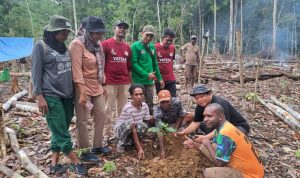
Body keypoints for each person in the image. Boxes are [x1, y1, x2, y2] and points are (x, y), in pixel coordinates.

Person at [31, 15, 87, 175]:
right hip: (51, 95)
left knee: (60, 128)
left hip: (67, 95)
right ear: (52, 32)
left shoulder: (63, 47)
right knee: (61, 132)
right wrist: (39, 96)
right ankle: (75, 161)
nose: (65, 35)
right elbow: (35, 73)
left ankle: (54, 163)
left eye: (66, 32)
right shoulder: (41, 46)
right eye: (62, 32)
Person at [69, 16, 110, 163]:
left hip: (96, 85)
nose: (99, 36)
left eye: (101, 33)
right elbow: (76, 69)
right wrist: (82, 90)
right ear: (88, 31)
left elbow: (101, 66)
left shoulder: (97, 45)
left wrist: (103, 84)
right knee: (83, 120)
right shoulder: (77, 44)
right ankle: (84, 151)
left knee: (101, 114)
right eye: (96, 33)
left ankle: (97, 146)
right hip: (82, 86)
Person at [184, 103, 264, 178]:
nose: (205, 119)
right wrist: (194, 144)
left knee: (208, 173)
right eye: (204, 116)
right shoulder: (225, 126)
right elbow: (215, 147)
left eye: (209, 116)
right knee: (214, 146)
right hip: (250, 167)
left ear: (220, 117)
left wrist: (207, 144)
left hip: (250, 175)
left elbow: (219, 163)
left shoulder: (225, 134)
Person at [177, 85, 250, 142]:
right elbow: (196, 122)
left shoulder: (220, 104)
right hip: (220, 126)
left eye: (202, 96)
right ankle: (213, 139)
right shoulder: (200, 105)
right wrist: (183, 132)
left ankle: (217, 142)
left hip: (237, 127)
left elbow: (224, 127)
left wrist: (205, 138)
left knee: (222, 140)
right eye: (197, 98)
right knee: (202, 124)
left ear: (209, 94)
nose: (200, 100)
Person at [101, 20, 132, 143]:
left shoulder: (127, 47)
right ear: (114, 29)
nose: (122, 30)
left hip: (124, 82)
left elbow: (129, 67)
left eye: (124, 28)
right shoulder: (105, 44)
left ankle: (119, 133)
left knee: (123, 110)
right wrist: (101, 83)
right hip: (109, 82)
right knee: (107, 109)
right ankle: (106, 134)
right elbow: (100, 64)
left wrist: (131, 83)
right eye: (119, 27)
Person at [131, 25, 164, 115]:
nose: (149, 38)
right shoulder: (135, 46)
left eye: (151, 36)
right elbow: (134, 64)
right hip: (138, 80)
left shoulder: (152, 47)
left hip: (149, 81)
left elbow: (155, 64)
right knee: (138, 102)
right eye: (147, 35)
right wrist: (146, 74)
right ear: (142, 34)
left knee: (149, 102)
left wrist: (160, 78)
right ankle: (138, 121)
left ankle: (149, 121)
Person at [114, 84, 151, 159]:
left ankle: (131, 142)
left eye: (141, 94)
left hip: (134, 127)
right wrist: (139, 149)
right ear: (131, 96)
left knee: (143, 126)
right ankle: (121, 144)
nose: (139, 97)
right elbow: (133, 128)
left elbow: (147, 121)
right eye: (136, 95)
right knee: (128, 125)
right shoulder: (128, 108)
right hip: (122, 129)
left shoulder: (145, 106)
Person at [153, 90, 193, 159]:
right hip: (165, 125)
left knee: (192, 115)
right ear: (159, 102)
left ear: (171, 99)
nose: (165, 104)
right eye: (162, 102)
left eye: (167, 101)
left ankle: (190, 134)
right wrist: (162, 150)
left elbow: (181, 115)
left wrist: (175, 129)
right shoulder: (157, 109)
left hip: (176, 122)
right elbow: (159, 129)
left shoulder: (177, 102)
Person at [154, 28, 177, 97]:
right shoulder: (155, 47)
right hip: (159, 79)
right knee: (162, 100)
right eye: (167, 40)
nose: (169, 42)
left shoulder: (172, 48)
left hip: (171, 78)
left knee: (173, 99)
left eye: (171, 41)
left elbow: (171, 61)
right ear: (163, 38)